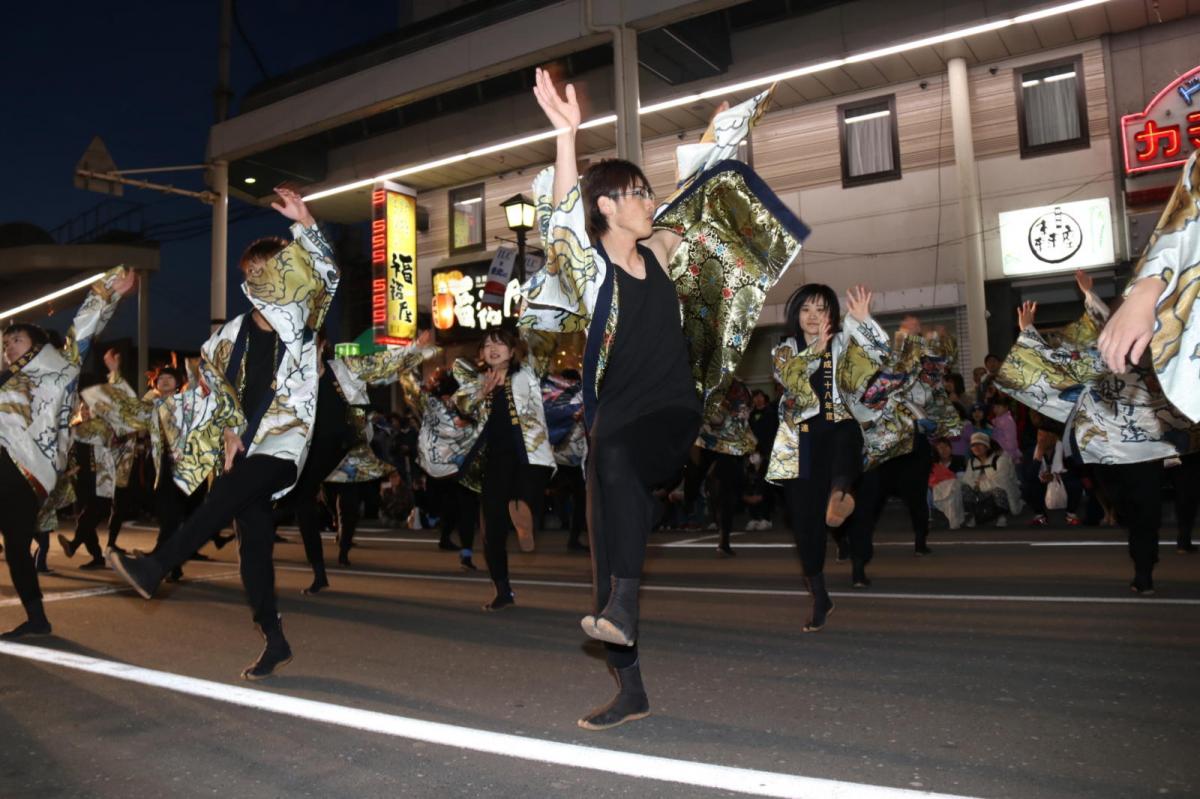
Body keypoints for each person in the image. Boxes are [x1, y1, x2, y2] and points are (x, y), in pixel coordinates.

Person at [522, 70, 804, 730]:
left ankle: (623, 598)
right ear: (606, 208)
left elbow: (703, 188)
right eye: (634, 193)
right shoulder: (593, 272)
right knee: (604, 544)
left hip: (671, 416)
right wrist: (567, 136)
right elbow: (564, 212)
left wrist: (725, 130)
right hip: (613, 425)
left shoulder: (666, 249)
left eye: (648, 190)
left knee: (616, 461)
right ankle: (630, 680)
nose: (648, 200)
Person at [107, 186, 338, 678]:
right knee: (252, 546)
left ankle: (157, 566)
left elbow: (328, 277)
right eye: (256, 271)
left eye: (276, 268)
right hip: (245, 449)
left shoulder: (300, 322)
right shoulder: (227, 337)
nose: (266, 277)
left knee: (226, 501)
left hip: (286, 441)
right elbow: (215, 396)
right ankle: (273, 639)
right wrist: (229, 435)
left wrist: (306, 226)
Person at [997, 269, 1198, 593]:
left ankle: (1143, 567)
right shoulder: (1090, 364)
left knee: (1146, 510)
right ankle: (1141, 544)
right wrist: (1028, 330)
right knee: (1126, 509)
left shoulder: (1144, 356)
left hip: (1145, 446)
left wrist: (1091, 296)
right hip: (1105, 449)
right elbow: (1055, 362)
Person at [0, 266, 136, 637]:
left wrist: (110, 291)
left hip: (24, 469)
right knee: (15, 550)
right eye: (6, 342)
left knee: (15, 547)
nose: (9, 346)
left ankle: (35, 617)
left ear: (38, 345)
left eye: (17, 340)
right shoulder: (5, 378)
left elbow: (84, 327)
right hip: (11, 470)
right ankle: (38, 619)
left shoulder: (57, 369)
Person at [767, 283, 888, 609]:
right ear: (796, 314)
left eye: (821, 310)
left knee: (845, 434)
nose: (813, 316)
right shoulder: (784, 349)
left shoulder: (842, 341)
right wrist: (815, 350)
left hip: (838, 426)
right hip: (801, 440)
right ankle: (819, 596)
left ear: (832, 314)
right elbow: (790, 379)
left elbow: (879, 356)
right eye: (806, 309)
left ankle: (839, 492)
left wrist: (863, 321)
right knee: (805, 522)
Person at [453, 328, 554, 611]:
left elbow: (543, 340)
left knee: (524, 496)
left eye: (499, 344)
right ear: (482, 354)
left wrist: (529, 314)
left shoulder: (528, 373)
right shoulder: (477, 383)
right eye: (487, 345)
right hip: (494, 460)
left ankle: (524, 519)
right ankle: (502, 590)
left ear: (512, 351)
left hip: (530, 454)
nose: (493, 348)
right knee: (491, 529)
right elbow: (461, 401)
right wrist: (481, 393)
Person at [417, 369, 482, 570]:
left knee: (463, 508)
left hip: (460, 465)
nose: (449, 400)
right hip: (445, 466)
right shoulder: (435, 408)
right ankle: (450, 539)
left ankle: (465, 551)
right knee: (455, 506)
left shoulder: (456, 406)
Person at [686, 379, 756, 555]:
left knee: (724, 495)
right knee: (722, 495)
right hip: (714, 446)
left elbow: (744, 416)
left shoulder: (736, 389)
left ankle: (723, 538)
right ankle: (723, 537)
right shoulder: (711, 388)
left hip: (725, 447)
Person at [960, 432, 1023, 527]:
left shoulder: (1001, 459)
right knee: (963, 489)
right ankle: (976, 515)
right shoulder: (972, 462)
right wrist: (977, 485)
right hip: (982, 492)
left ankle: (1001, 515)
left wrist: (978, 485)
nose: (976, 447)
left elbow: (1001, 482)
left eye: (979, 444)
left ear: (987, 446)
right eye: (973, 445)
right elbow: (966, 479)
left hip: (1004, 492)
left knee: (997, 491)